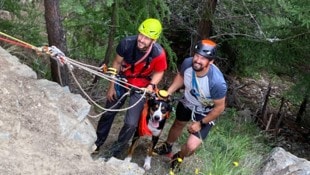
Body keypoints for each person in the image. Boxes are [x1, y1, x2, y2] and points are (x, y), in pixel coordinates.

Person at [93, 18, 167, 158]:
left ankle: (116, 150)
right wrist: (112, 86)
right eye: (141, 34)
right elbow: (116, 62)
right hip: (122, 80)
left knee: (131, 124)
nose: (141, 39)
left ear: (154, 40)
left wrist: (151, 85)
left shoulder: (158, 54)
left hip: (141, 86)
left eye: (147, 38)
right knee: (109, 112)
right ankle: (97, 142)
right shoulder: (126, 43)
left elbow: (159, 71)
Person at [154, 39, 227, 172]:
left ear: (211, 61)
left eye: (203, 58)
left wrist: (201, 122)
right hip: (188, 101)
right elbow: (181, 77)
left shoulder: (217, 83)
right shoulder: (188, 63)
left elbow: (219, 108)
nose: (198, 60)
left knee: (191, 146)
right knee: (178, 124)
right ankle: (167, 146)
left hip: (206, 110)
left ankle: (179, 156)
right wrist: (169, 92)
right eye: (197, 55)